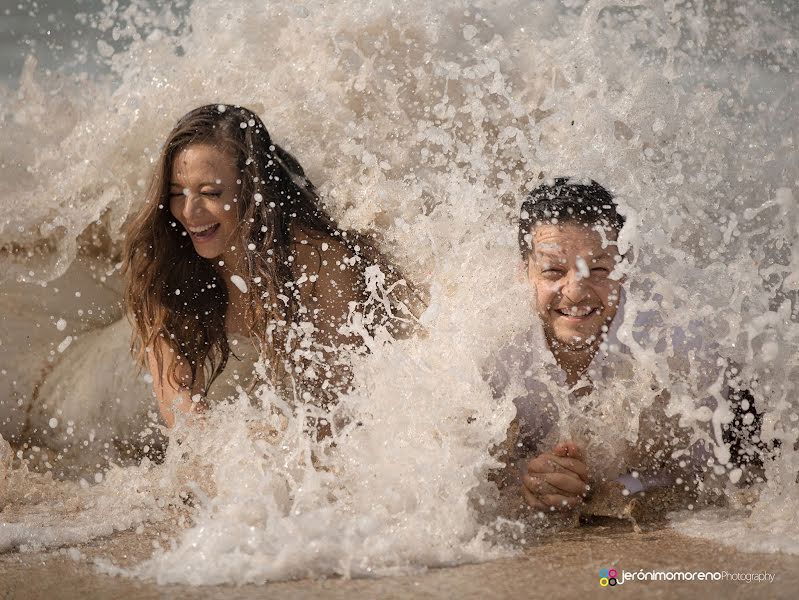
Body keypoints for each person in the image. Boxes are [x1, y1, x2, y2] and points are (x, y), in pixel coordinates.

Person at [123, 104, 418, 429]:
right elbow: (183, 422)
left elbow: (345, 407)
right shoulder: (165, 266)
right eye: (178, 193)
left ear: (251, 190)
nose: (189, 212)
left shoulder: (318, 263)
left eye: (210, 193)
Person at [490, 177, 766, 517]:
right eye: (553, 271)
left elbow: (711, 482)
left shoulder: (673, 351)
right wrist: (527, 483)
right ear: (525, 273)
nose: (575, 291)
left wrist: (609, 488)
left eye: (598, 270)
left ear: (623, 271)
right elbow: (471, 471)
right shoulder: (494, 354)